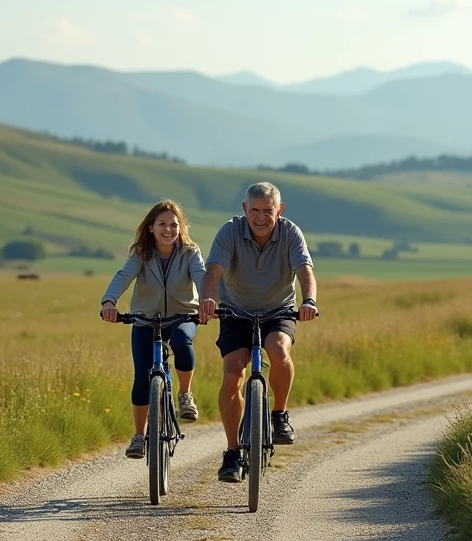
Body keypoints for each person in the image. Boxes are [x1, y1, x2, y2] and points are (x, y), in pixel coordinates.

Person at [199, 181, 318, 483]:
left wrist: (309, 301)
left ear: (280, 209)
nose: (261, 217)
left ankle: (279, 415)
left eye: (268, 211)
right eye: (255, 210)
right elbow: (213, 270)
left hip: (278, 309)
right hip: (235, 310)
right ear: (244, 209)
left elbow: (305, 271)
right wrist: (209, 300)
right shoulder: (230, 231)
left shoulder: (291, 232)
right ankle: (231, 452)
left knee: (279, 350)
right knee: (233, 372)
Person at [100, 199, 206, 459]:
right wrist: (109, 301)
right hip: (146, 319)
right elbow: (124, 276)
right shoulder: (141, 253)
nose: (168, 230)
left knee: (182, 341)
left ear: (181, 228)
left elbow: (202, 276)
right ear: (151, 227)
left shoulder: (190, 252)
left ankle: (184, 395)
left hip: (182, 317)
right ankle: (139, 435)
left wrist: (207, 301)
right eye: (162, 224)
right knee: (141, 377)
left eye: (174, 224)